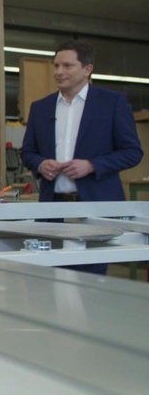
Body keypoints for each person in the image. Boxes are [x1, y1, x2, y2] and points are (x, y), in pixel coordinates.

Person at [21, 40, 143, 274]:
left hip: (95, 209)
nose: (59, 72)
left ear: (87, 69)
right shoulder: (40, 108)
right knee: (52, 278)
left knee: (91, 278)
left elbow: (132, 152)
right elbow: (27, 153)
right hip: (52, 211)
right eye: (56, 65)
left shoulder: (112, 103)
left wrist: (92, 165)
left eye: (67, 66)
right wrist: (40, 164)